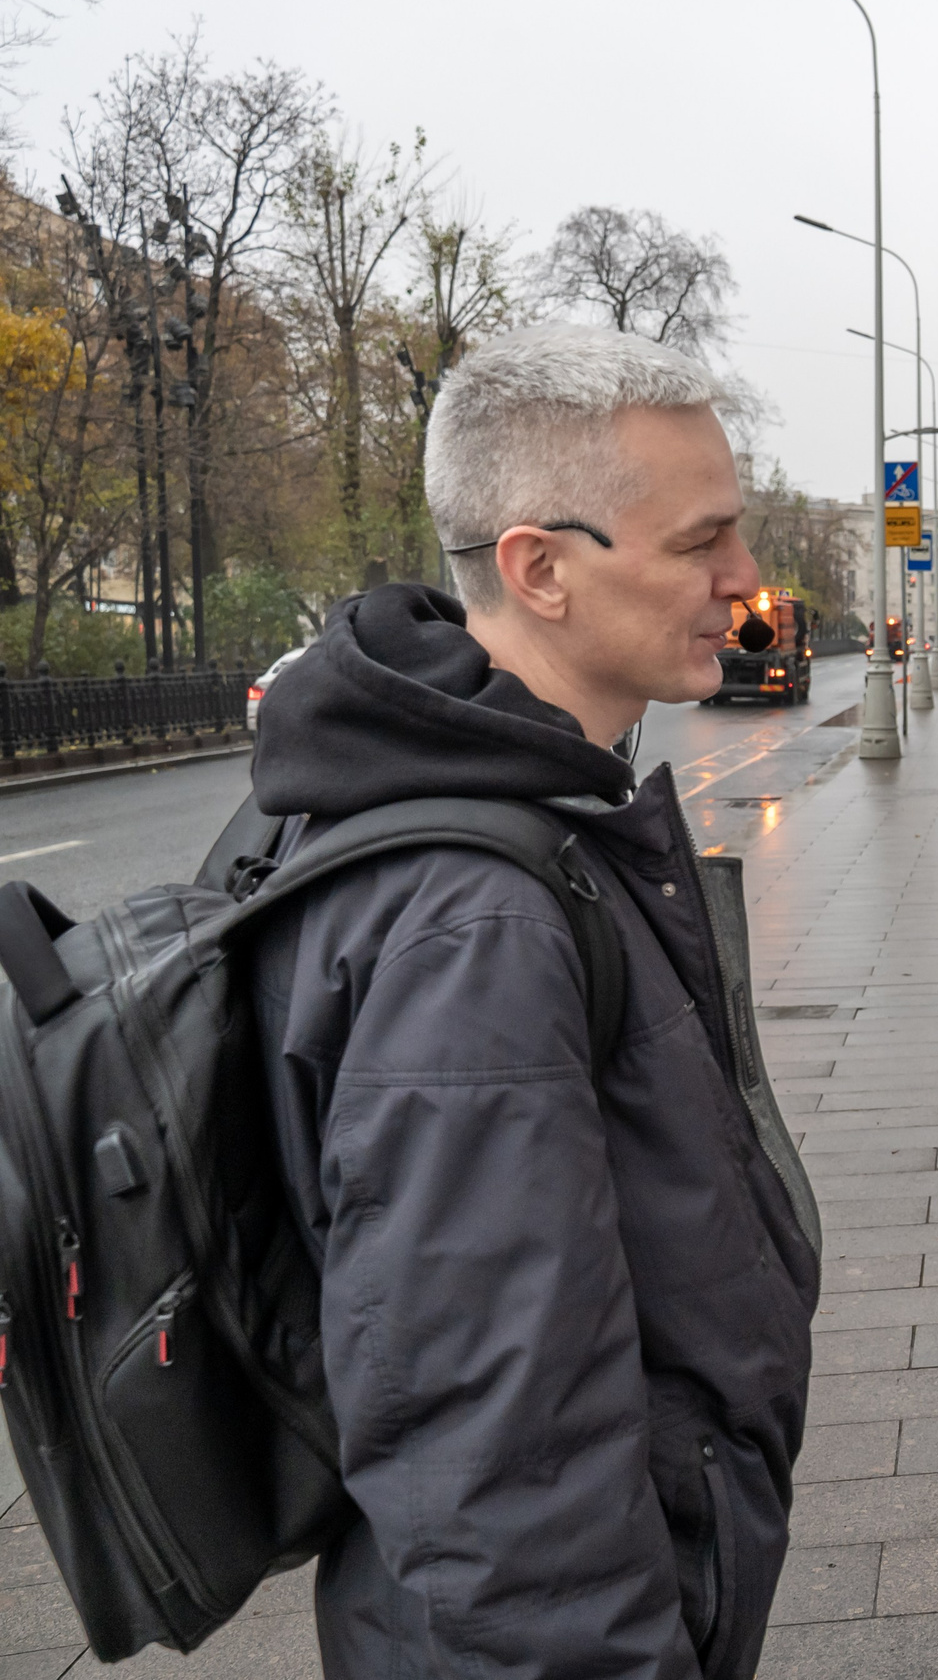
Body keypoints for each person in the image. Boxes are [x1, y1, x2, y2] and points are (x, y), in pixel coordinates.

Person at [246, 324, 822, 1677]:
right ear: (540, 567)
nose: (744, 581)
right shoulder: (480, 910)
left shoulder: (530, 810)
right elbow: (491, 1432)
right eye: (701, 541)